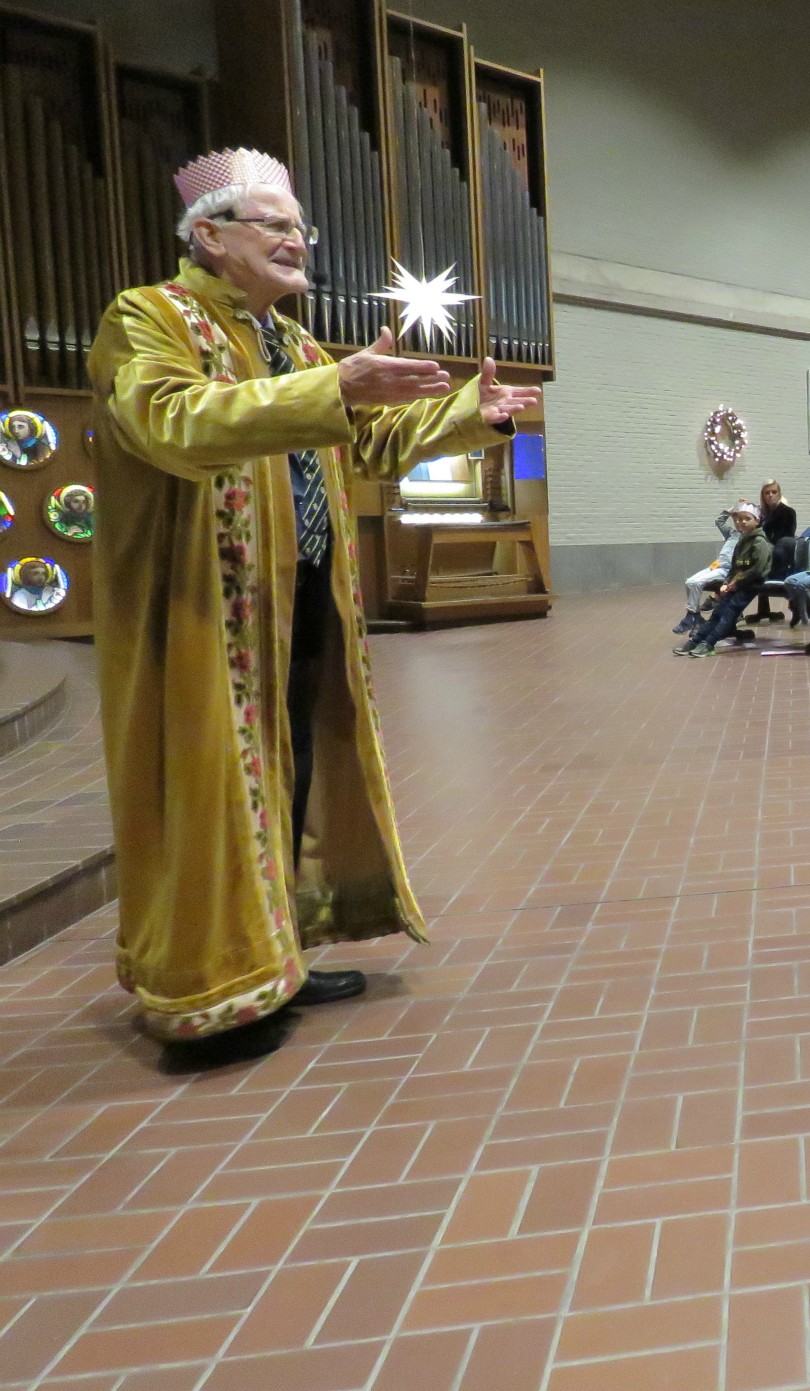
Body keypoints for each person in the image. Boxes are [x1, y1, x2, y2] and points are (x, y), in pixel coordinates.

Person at [89, 148, 539, 1056]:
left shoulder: (292, 343)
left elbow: (363, 447)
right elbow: (173, 421)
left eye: (303, 226)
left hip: (299, 604)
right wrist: (332, 388)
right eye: (277, 223)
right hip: (202, 613)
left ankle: (274, 959)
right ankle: (209, 991)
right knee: (209, 790)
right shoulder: (147, 320)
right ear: (209, 236)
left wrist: (466, 416)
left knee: (285, 781)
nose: (300, 240)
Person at [674, 502, 773, 658]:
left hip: (750, 585)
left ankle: (709, 644)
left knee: (729, 612)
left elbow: (757, 570)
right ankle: (697, 640)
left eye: (748, 518)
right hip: (736, 584)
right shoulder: (741, 541)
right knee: (717, 612)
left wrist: (736, 583)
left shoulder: (760, 542)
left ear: (757, 520)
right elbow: (734, 567)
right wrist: (726, 583)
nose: (743, 522)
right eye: (739, 519)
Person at [674, 505, 745, 635]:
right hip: (716, 566)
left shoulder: (749, 537)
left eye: (741, 520)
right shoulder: (732, 533)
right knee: (689, 582)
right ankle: (695, 616)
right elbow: (719, 521)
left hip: (727, 571)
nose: (738, 523)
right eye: (736, 520)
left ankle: (691, 617)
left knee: (696, 583)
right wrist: (730, 511)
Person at [758, 479, 796, 548]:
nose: (770, 495)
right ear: (763, 496)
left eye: (774, 492)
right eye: (767, 493)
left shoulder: (788, 512)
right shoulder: (761, 513)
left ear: (779, 494)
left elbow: (784, 540)